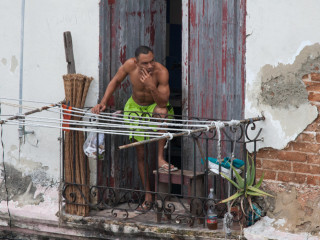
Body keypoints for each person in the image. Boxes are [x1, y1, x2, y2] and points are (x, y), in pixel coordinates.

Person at [91, 46, 177, 205]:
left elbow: (163, 102)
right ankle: (148, 195)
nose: (150, 65)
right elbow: (116, 81)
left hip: (154, 105)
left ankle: (159, 158)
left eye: (152, 60)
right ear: (136, 62)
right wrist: (102, 102)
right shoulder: (130, 65)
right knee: (141, 153)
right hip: (135, 107)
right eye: (145, 63)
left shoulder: (161, 71)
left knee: (162, 111)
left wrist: (152, 86)